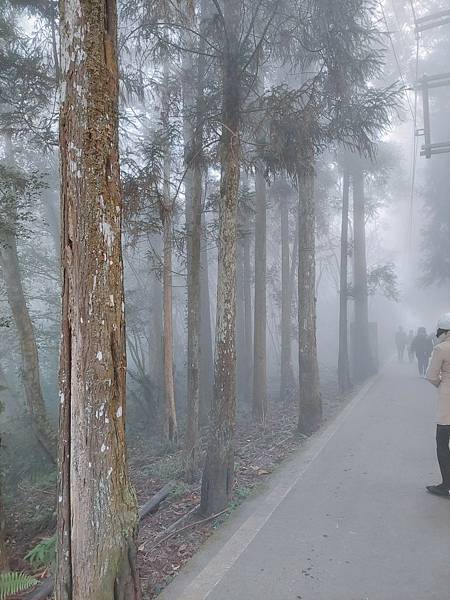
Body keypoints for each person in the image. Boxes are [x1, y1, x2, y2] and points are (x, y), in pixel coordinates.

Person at [425, 313, 450, 497]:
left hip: (447, 404)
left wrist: (442, 384)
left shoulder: (441, 349)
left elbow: (432, 376)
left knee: (442, 443)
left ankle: (446, 485)